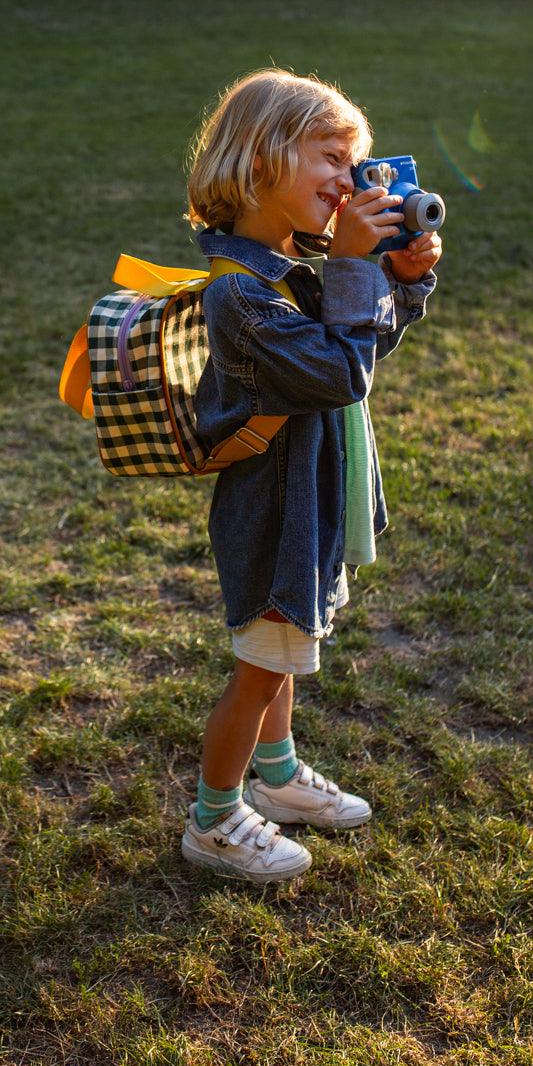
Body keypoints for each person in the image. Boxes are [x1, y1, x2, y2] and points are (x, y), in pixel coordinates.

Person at [180, 69, 441, 882]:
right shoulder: (241, 296)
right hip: (276, 509)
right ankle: (215, 820)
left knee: (289, 649)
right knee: (264, 663)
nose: (347, 181)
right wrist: (358, 270)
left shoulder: (289, 262)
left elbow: (356, 350)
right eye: (332, 158)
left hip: (312, 498)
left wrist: (398, 280)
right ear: (261, 157)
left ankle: (282, 779)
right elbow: (340, 374)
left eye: (354, 162)